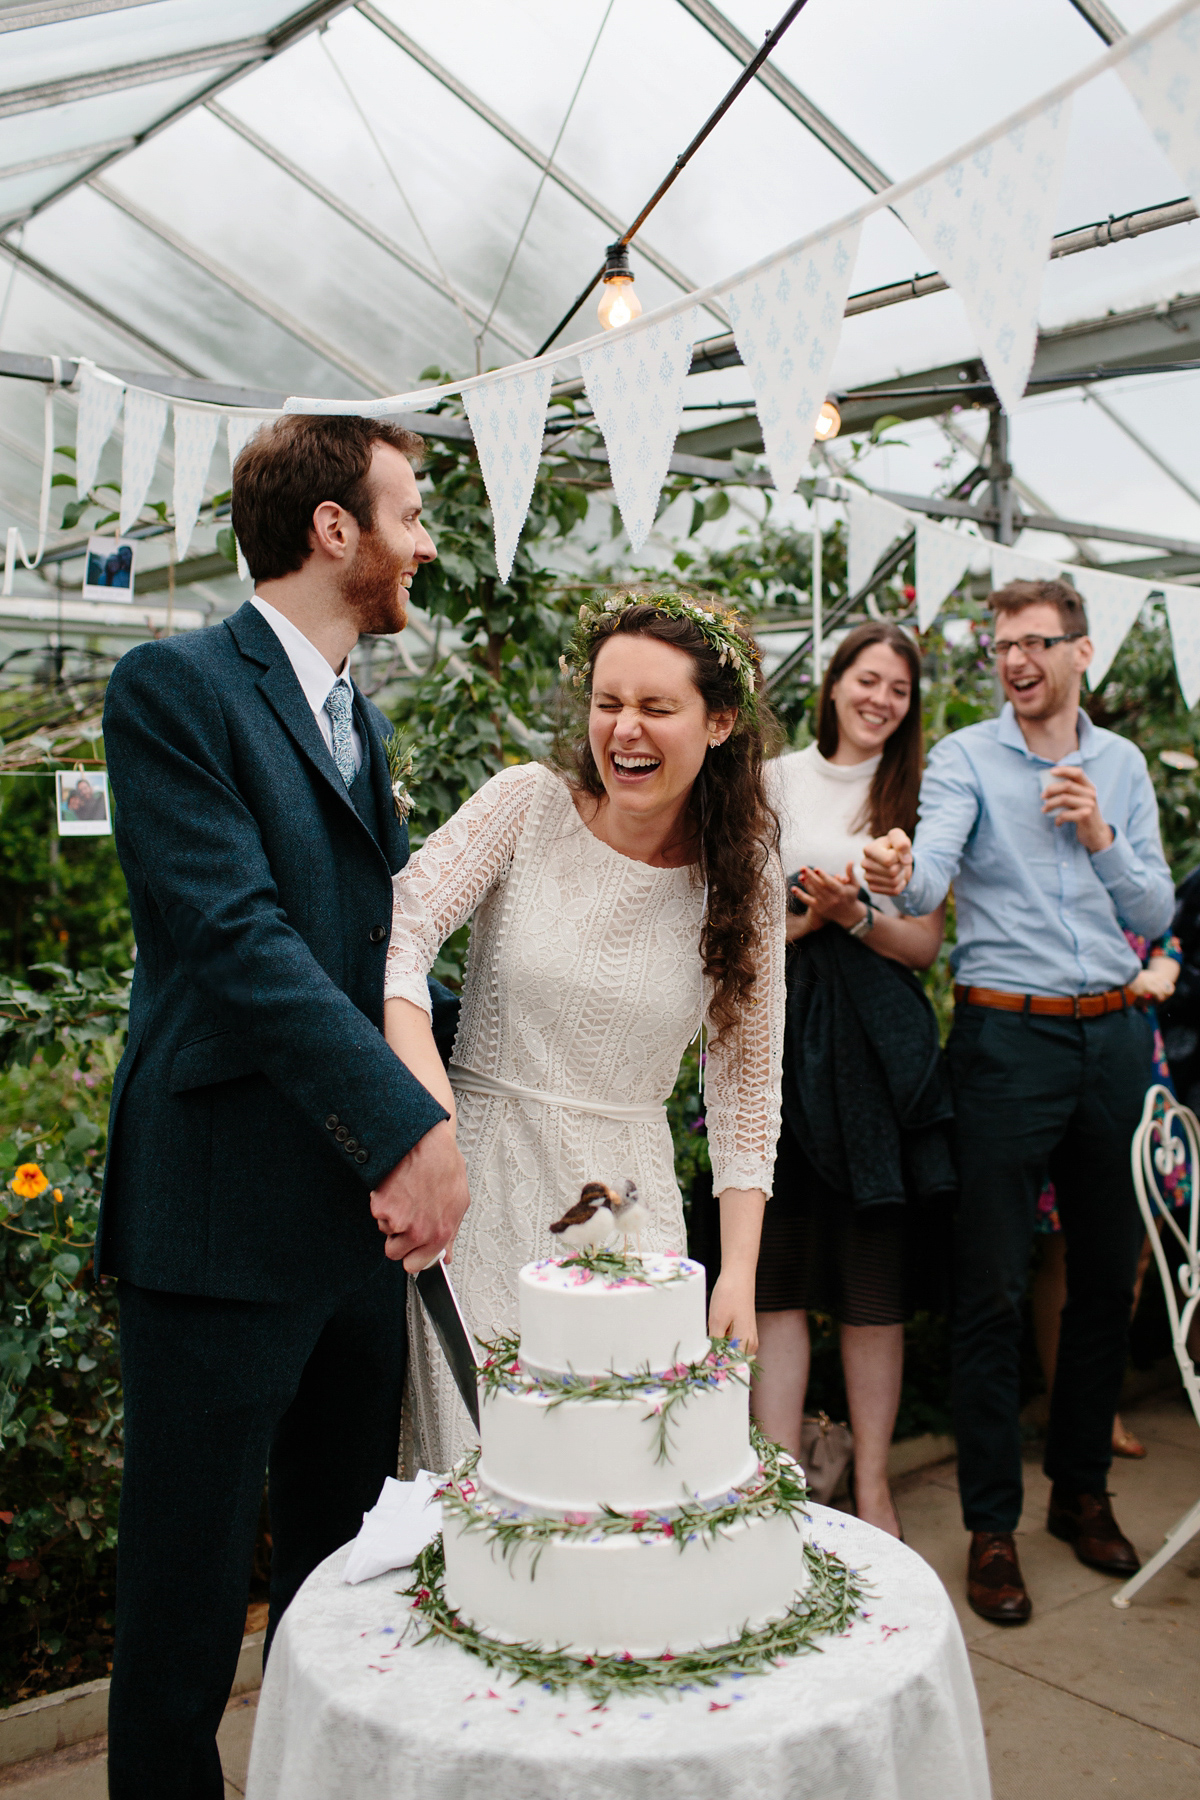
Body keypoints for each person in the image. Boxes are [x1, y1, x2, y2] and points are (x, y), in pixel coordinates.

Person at [100, 414, 464, 1799]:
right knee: (185, 1611)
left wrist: (419, 1104)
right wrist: (411, 1131)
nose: (424, 541)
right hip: (217, 1223)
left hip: (346, 1223)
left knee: (338, 1586)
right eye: (410, 512)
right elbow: (241, 943)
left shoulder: (353, 713)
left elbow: (370, 949)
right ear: (335, 530)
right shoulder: (174, 687)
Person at [380, 592, 785, 1471]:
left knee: (619, 1483)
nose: (625, 730)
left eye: (655, 707)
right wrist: (427, 1109)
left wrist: (740, 1279)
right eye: (608, 703)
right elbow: (399, 929)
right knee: (484, 1484)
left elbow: (746, 1089)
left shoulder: (741, 876)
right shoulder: (526, 807)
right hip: (480, 1189)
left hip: (630, 1222)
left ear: (718, 722)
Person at [864, 578, 1174, 1626]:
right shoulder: (963, 759)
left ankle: (1079, 1495)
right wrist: (893, 865)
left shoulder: (1121, 768)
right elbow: (922, 881)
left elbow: (1157, 907)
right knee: (991, 1288)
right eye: (1001, 644)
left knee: (1102, 1281)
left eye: (1037, 641)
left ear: (1081, 652)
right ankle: (993, 1526)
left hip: (1116, 1037)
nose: (1015, 658)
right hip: (1006, 1039)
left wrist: (1101, 833)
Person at [753, 622, 951, 1539]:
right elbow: (737, 915)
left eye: (898, 690)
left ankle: (873, 1485)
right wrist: (810, 919)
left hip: (875, 1052)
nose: (880, 699)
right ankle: (780, 1483)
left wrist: (858, 914)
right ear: (834, 685)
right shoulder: (775, 779)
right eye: (867, 680)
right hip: (785, 1038)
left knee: (873, 1282)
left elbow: (921, 946)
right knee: (778, 1277)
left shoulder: (915, 796)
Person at [1032, 928, 1183, 1460]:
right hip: (1067, 1049)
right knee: (1068, 1252)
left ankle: (1097, 1398)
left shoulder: (1134, 855)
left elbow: (1167, 936)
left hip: (1141, 1055)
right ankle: (1069, 1407)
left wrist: (1163, 970)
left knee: (1138, 1248)